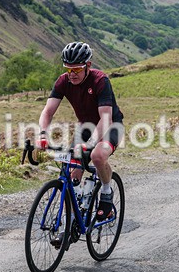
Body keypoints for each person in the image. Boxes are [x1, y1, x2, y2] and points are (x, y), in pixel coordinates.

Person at [38, 42, 125, 219]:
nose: (72, 74)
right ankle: (71, 221)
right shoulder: (63, 81)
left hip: (111, 125)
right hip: (85, 127)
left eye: (77, 69)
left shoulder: (100, 81)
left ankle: (106, 192)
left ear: (88, 66)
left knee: (97, 156)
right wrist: (42, 135)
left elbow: (106, 118)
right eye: (69, 69)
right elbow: (47, 111)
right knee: (72, 174)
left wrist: (91, 144)